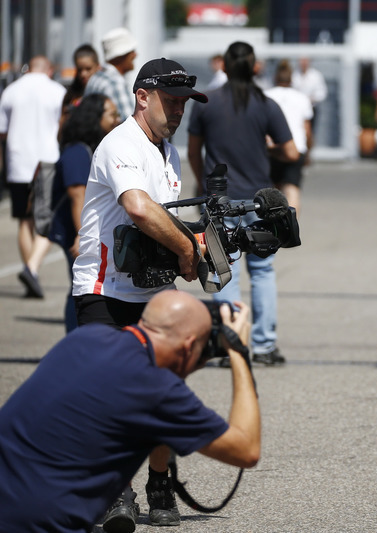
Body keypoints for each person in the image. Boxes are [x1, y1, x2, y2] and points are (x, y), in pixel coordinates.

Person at [71, 57, 208, 531]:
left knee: (165, 390)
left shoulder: (166, 151)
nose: (178, 111)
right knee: (109, 398)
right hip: (103, 290)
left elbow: (165, 219)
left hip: (152, 290)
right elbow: (138, 208)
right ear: (142, 97)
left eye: (183, 104)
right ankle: (116, 491)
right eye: (170, 102)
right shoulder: (120, 143)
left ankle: (159, 481)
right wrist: (188, 245)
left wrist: (197, 244)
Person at [0, 291, 260, 532]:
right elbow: (246, 449)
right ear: (188, 346)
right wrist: (238, 352)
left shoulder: (85, 339)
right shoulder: (155, 388)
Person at [188, 41, 299, 367]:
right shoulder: (265, 103)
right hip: (257, 202)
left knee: (226, 270)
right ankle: (264, 345)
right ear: (253, 67)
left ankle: (230, 345)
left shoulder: (206, 103)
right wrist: (268, 151)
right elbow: (292, 152)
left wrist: (203, 182)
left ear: (223, 65)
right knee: (263, 271)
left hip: (219, 201)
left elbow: (194, 151)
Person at [49, 94, 120, 332]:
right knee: (80, 287)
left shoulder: (93, 147)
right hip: (75, 231)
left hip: (83, 230)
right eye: (112, 114)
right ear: (94, 117)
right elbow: (77, 195)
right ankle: (75, 341)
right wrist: (82, 235)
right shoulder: (77, 152)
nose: (117, 119)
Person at [0, 55, 66, 299]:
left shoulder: (11, 91)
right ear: (49, 70)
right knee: (49, 216)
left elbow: (2, 131)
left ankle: (31, 272)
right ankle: (32, 268)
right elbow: (62, 126)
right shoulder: (57, 90)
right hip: (47, 159)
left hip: (18, 160)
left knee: (24, 219)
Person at [265, 59, 313, 213]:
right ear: (291, 78)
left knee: (271, 190)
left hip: (272, 148)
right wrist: (308, 151)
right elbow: (307, 129)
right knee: (292, 188)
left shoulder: (266, 95)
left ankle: (271, 227)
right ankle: (292, 225)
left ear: (275, 77)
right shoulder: (301, 97)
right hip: (296, 147)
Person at [84, 27, 137, 120]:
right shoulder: (114, 82)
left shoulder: (95, 78)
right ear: (121, 56)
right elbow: (129, 122)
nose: (135, 55)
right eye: (131, 51)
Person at [291, 56, 327, 158]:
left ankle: (307, 155)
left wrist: (311, 99)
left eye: (305, 61)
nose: (303, 63)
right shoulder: (295, 75)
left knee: (309, 132)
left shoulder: (316, 76)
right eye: (302, 60)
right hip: (297, 110)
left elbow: (322, 93)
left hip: (311, 108)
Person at [61, 44, 101, 122]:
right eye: (79, 70)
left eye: (88, 69)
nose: (83, 74)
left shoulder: (103, 91)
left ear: (98, 67)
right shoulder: (71, 95)